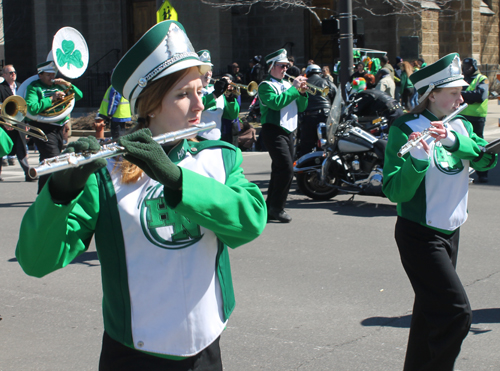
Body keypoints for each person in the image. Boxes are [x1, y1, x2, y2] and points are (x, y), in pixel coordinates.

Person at [16, 20, 267, 371]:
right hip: (134, 352)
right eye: (183, 94)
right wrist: (61, 192)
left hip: (206, 344)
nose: (199, 104)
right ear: (150, 105)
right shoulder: (107, 174)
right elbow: (36, 261)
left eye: (200, 90)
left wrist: (176, 179)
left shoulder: (219, 157)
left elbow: (250, 222)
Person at [383, 53, 497, 371]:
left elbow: (487, 160)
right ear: (432, 94)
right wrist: (417, 159)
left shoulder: (460, 124)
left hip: (451, 231)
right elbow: (395, 192)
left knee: (427, 315)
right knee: (456, 314)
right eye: (454, 92)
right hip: (419, 233)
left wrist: (454, 141)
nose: (462, 98)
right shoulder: (404, 127)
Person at [258, 48, 308, 223]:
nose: (285, 69)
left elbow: (301, 107)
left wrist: (302, 93)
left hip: (289, 131)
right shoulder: (265, 86)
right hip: (273, 130)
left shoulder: (288, 85)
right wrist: (294, 89)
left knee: (280, 169)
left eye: (286, 66)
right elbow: (276, 104)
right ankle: (277, 208)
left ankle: (270, 206)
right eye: (281, 66)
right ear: (272, 67)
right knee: (286, 168)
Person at [26, 60, 83, 193]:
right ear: (40, 75)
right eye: (48, 75)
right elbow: (32, 108)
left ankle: (43, 193)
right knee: (54, 159)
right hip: (43, 127)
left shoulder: (59, 86)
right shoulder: (34, 87)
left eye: (53, 74)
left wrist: (67, 84)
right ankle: (55, 192)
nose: (52, 78)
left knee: (48, 161)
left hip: (59, 127)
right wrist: (52, 99)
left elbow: (79, 96)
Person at [197, 50, 240, 141]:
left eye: (210, 70)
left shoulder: (214, 89)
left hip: (217, 140)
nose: (208, 73)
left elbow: (232, 115)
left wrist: (230, 98)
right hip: (198, 139)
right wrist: (215, 94)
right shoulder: (192, 90)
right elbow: (197, 106)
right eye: (205, 70)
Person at [0, 64, 33, 181]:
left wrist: (27, 123)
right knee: (1, 149)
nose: (13, 74)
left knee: (21, 149)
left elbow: (25, 107)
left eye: (14, 72)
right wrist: (4, 122)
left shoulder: (20, 87)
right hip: (4, 124)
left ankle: (28, 173)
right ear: (4, 75)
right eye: (10, 73)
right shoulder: (1, 88)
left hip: (19, 123)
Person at [461, 57, 490, 183]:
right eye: (464, 66)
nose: (466, 69)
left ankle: (482, 172)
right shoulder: (462, 79)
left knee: (478, 146)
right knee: (462, 146)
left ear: (474, 67)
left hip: (477, 117)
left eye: (469, 67)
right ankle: (465, 172)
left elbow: (480, 96)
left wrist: (463, 95)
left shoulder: (482, 79)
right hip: (462, 117)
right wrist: (469, 95)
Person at [298, 64, 337, 158]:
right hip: (325, 116)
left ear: (307, 73)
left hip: (308, 116)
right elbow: (336, 97)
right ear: (319, 73)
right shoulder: (327, 83)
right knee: (327, 144)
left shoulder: (304, 84)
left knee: (306, 146)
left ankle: (305, 169)